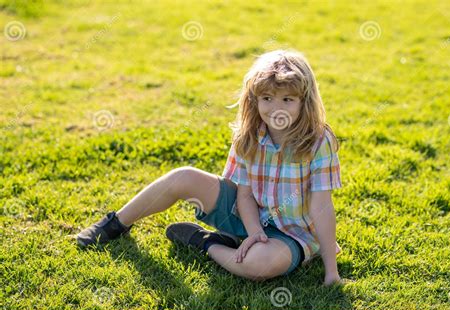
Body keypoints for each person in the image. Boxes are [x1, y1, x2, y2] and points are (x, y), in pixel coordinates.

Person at [76, 49, 343, 285]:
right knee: (183, 177)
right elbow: (244, 194)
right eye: (268, 98)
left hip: (290, 233)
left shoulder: (318, 141)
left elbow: (321, 205)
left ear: (304, 101)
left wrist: (331, 272)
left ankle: (207, 243)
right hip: (247, 214)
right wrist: (255, 232)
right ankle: (114, 224)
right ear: (254, 99)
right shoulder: (250, 133)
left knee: (261, 265)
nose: (276, 109)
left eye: (288, 100)